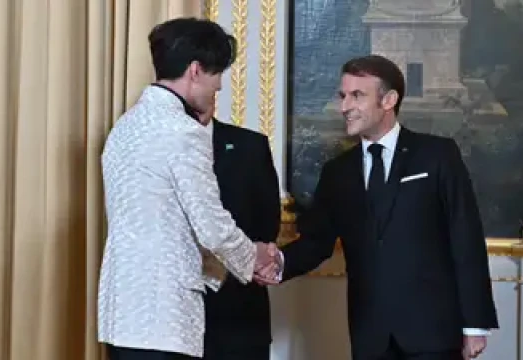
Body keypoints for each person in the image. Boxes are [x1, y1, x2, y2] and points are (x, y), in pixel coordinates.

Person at [256, 55, 499, 360]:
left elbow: (465, 238)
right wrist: (277, 262)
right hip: (371, 336)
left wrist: (475, 324)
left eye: (357, 95)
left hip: (434, 333)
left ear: (389, 100)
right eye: (343, 96)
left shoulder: (437, 155)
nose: (345, 106)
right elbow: (317, 242)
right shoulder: (338, 172)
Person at [97, 17, 278, 360]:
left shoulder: (124, 128)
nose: (219, 87)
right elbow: (210, 224)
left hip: (122, 313)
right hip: (166, 317)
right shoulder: (184, 132)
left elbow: (166, 224)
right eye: (217, 75)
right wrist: (252, 256)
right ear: (195, 70)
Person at [197, 102, 281, 360]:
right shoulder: (156, 146)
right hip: (175, 318)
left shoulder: (249, 146)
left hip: (240, 315)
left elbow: (267, 227)